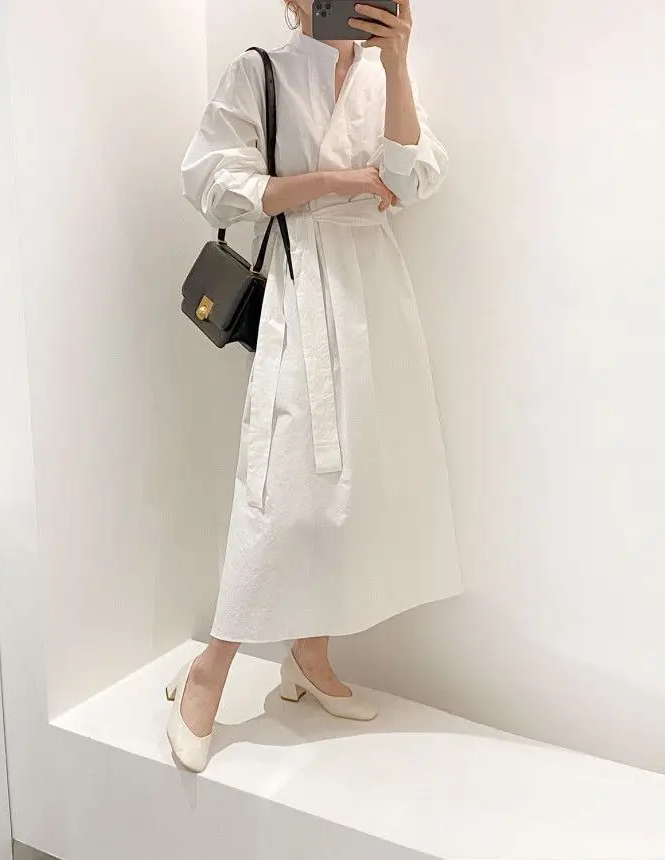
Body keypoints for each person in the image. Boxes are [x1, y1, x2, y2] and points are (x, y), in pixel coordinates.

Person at [168, 0, 463, 772]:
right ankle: (211, 669)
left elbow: (412, 178)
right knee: (279, 483)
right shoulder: (261, 71)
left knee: (354, 477)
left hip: (373, 292)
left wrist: (398, 62)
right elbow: (212, 181)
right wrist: (336, 180)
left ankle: (309, 654)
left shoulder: (380, 76)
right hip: (301, 282)